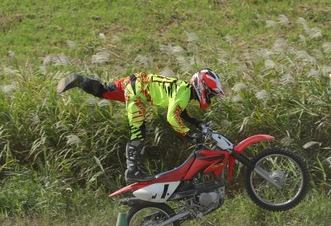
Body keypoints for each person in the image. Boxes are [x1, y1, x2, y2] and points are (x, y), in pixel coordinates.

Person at [57, 69, 224, 183]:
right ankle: (133, 170)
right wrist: (189, 135)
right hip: (139, 92)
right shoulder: (184, 93)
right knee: (138, 130)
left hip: (135, 81)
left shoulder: (183, 89)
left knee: (103, 90)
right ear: (201, 86)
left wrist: (198, 123)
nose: (210, 97)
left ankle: (81, 80)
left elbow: (181, 112)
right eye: (210, 93)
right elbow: (172, 117)